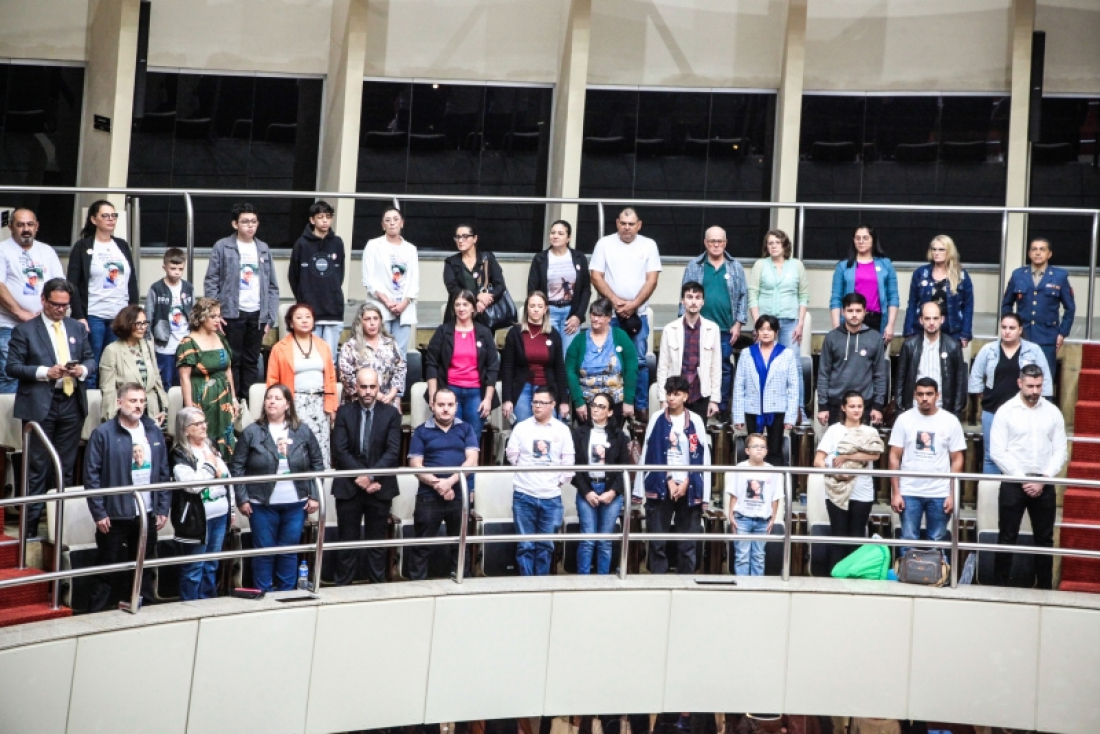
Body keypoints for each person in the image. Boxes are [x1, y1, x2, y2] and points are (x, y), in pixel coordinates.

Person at [8, 277, 94, 537]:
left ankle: (61, 530)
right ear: (43, 300)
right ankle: (30, 532)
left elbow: (91, 359)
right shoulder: (25, 330)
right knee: (37, 469)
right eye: (55, 304)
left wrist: (82, 370)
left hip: (71, 403)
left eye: (65, 306)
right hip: (39, 405)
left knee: (65, 470)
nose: (60, 310)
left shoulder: (76, 328)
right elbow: (12, 367)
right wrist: (47, 372)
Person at [85, 384, 171, 612]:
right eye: (133, 401)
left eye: (142, 401)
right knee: (106, 566)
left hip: (147, 513)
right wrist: (99, 512)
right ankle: (96, 613)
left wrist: (163, 507)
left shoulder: (153, 431)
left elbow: (163, 472)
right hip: (114, 514)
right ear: (119, 403)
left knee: (144, 565)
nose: (138, 405)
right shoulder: (102, 433)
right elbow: (91, 475)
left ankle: (144, 608)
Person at [231, 384, 323, 592]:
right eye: (269, 397)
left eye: (278, 398)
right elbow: (237, 466)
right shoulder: (251, 432)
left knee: (288, 552)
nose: (272, 401)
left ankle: (286, 594)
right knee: (264, 552)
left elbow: (317, 463)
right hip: (260, 504)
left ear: (288, 404)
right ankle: (262, 594)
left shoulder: (303, 431)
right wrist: (242, 498)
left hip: (295, 503)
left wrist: (315, 495)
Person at [990, 363, 1066, 589]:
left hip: (1044, 482)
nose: (1035, 391)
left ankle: (1045, 589)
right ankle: (999, 590)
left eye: (1039, 386)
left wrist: (1043, 478)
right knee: (1006, 537)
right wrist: (1022, 478)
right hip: (1014, 483)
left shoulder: (1053, 412)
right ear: (1019, 383)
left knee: (1044, 540)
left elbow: (1061, 450)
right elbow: (997, 451)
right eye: (1031, 386)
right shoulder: (1005, 411)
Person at [331, 367, 402, 585]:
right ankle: (342, 592)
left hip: (380, 487)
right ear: (355, 387)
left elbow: (393, 451)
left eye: (373, 387)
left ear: (379, 388)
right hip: (349, 487)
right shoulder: (344, 412)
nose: (368, 391)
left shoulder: (391, 414)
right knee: (346, 545)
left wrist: (370, 476)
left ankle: (377, 592)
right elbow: (339, 450)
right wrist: (360, 477)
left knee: (377, 546)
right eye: (364, 387)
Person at [634, 375, 711, 575]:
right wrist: (667, 480)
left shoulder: (695, 420)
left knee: (687, 542)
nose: (671, 398)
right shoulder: (657, 418)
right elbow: (649, 453)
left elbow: (702, 456)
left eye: (676, 394)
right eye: (669, 394)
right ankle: (659, 579)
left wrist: (687, 481)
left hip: (689, 485)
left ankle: (685, 581)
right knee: (657, 540)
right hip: (661, 484)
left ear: (685, 396)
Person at [590, 207, 662, 418]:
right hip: (609, 316)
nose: (627, 228)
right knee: (606, 362)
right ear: (617, 223)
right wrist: (615, 302)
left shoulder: (649, 245)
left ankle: (639, 409)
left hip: (637, 314)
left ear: (639, 225)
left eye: (631, 224)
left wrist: (633, 304)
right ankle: (606, 407)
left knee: (638, 362)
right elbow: (596, 276)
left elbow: (652, 279)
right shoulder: (604, 244)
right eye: (623, 223)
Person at [204, 202, 280, 400]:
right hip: (231, 313)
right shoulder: (223, 246)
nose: (250, 226)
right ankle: (232, 402)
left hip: (257, 314)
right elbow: (211, 281)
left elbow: (272, 286)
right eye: (245, 222)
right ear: (235, 224)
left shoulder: (263, 248)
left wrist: (270, 317)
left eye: (254, 221)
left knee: (251, 361)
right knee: (232, 359)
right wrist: (214, 314)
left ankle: (249, 402)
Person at [407, 388, 480, 580]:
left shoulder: (466, 429)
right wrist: (438, 484)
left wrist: (450, 482)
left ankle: (461, 585)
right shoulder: (421, 431)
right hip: (428, 497)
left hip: (459, 494)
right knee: (422, 546)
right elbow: (415, 464)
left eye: (450, 405)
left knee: (460, 544)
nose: (445, 409)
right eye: (441, 405)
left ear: (456, 407)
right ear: (432, 406)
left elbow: (472, 461)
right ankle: (417, 587)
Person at [889, 378, 966, 557]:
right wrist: (896, 492)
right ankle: (907, 580)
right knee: (908, 539)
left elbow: (957, 459)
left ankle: (936, 581)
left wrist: (952, 493)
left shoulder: (950, 421)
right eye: (921, 394)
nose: (925, 398)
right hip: (909, 490)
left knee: (937, 541)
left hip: (939, 491)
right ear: (915, 395)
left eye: (929, 394)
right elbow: (894, 457)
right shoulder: (904, 419)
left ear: (937, 395)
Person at [66, 200, 138, 388]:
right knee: (92, 367)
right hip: (94, 316)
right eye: (105, 216)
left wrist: (133, 314)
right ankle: (90, 413)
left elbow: (131, 282)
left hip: (119, 317)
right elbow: (72, 284)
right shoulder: (83, 246)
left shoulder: (122, 245)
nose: (110, 219)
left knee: (115, 367)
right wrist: (79, 316)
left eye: (113, 215)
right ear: (93, 219)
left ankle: (111, 411)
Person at [968, 313, 1052, 474]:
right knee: (991, 455)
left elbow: (1046, 380)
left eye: (1012, 328)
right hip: (992, 410)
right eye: (1004, 327)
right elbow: (975, 376)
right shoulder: (988, 350)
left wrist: (1040, 404)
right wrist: (982, 395)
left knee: (1019, 455)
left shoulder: (1034, 351)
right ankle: (990, 498)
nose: (1007, 331)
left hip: (1023, 412)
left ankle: (1016, 497)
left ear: (1020, 330)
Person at [505, 385, 575, 576]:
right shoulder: (521, 427)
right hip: (524, 495)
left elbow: (568, 462)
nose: (537, 406)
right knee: (525, 546)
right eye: (535, 402)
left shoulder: (562, 430)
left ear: (552, 404)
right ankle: (527, 585)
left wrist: (556, 482)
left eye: (542, 403)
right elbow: (512, 455)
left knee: (546, 546)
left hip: (551, 497)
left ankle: (541, 585)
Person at [683, 226, 748, 419]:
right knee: (696, 365)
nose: (716, 245)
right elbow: (685, 294)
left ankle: (721, 407)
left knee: (724, 367)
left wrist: (739, 323)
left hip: (726, 328)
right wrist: (684, 324)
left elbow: (743, 296)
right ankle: (697, 403)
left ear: (725, 243)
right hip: (698, 327)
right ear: (705, 243)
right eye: (712, 241)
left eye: (720, 241)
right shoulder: (694, 265)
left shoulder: (735, 266)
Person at [814, 391, 883, 571]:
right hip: (836, 490)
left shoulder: (870, 431)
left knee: (856, 538)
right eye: (852, 406)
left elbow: (874, 455)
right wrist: (834, 475)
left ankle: (854, 577)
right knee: (839, 538)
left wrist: (846, 455)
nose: (856, 410)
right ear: (844, 408)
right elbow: (818, 460)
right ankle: (836, 579)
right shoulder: (834, 430)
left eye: (859, 406)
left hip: (862, 491)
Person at [266, 303, 339, 469]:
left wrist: (332, 406)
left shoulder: (323, 345)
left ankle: (320, 489)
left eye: (308, 317)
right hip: (294, 403)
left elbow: (331, 377)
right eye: (299, 317)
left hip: (320, 402)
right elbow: (272, 380)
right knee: (296, 446)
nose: (304, 321)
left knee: (321, 448)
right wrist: (278, 405)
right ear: (291, 323)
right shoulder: (279, 348)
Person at [424, 290, 500, 448]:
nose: (461, 308)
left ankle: (469, 474)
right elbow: (431, 363)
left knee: (473, 440)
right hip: (449, 392)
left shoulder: (484, 333)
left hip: (476, 393)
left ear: (473, 307)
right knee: (450, 438)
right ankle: (450, 473)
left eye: (465, 304)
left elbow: (492, 367)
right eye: (457, 304)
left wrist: (487, 399)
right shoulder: (443, 331)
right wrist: (433, 394)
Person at [0, 208, 64, 393]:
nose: (25, 229)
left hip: (43, 326)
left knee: (42, 374)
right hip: (9, 326)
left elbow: (59, 284)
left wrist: (46, 312)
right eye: (20, 225)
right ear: (11, 227)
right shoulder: (3, 249)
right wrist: (20, 313)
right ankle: (7, 422)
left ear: (37, 227)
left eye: (29, 224)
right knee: (8, 375)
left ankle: (35, 421)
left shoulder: (47, 251)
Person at [170, 406, 231, 601]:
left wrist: (233, 508)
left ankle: (208, 604)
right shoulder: (179, 454)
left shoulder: (211, 447)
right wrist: (210, 465)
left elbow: (227, 478)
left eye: (204, 422)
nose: (204, 426)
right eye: (197, 423)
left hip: (220, 514)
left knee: (211, 564)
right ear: (185, 429)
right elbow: (192, 486)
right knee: (194, 567)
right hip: (196, 519)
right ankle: (190, 607)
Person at [572, 392, 630, 575]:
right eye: (594, 405)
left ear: (610, 412)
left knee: (605, 541)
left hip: (610, 493)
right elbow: (573, 467)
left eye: (601, 406)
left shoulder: (619, 436)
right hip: (586, 490)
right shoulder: (579, 433)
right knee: (588, 539)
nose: (595, 409)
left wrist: (613, 492)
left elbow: (625, 469)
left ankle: (603, 581)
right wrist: (587, 492)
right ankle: (583, 582)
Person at [732, 315, 800, 467]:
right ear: (756, 332)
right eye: (762, 329)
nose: (766, 333)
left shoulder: (786, 354)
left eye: (770, 329)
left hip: (777, 408)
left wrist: (790, 417)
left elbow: (793, 387)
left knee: (775, 449)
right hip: (752, 408)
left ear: (776, 332)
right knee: (754, 449)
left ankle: (775, 484)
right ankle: (753, 484)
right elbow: (739, 386)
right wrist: (738, 416)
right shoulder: (747, 353)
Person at [1001, 237, 1076, 374]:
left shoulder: (1060, 276)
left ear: (1049, 254)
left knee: (1045, 376)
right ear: (1029, 254)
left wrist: (1062, 333)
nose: (1038, 253)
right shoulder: (1018, 275)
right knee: (1019, 376)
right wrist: (1010, 327)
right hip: (1022, 335)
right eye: (1034, 249)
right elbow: (1007, 304)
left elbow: (1070, 308)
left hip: (1047, 336)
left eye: (1042, 249)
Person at [177, 297, 238, 461]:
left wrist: (233, 398)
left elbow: (228, 369)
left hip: (223, 398)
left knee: (226, 439)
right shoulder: (188, 342)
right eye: (213, 316)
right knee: (203, 437)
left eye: (218, 316)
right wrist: (190, 410)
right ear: (201, 317)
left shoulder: (220, 337)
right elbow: (184, 377)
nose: (218, 320)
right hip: (201, 398)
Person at [817, 293, 888, 426]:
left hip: (864, 405)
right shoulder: (832, 337)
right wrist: (822, 406)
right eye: (850, 311)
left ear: (865, 312)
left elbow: (880, 375)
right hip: (836, 404)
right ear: (843, 312)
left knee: (862, 446)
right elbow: (823, 373)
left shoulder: (875, 338)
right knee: (838, 446)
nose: (854, 315)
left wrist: (878, 406)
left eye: (858, 311)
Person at [565, 298, 638, 425]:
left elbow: (632, 368)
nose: (595, 319)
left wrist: (628, 401)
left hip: (615, 403)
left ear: (609, 318)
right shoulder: (579, 340)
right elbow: (570, 371)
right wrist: (578, 401)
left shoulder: (621, 336)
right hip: (587, 404)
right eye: (593, 314)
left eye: (600, 316)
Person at [502, 291, 570, 424]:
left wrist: (563, 401)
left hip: (547, 388)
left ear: (545, 309)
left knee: (548, 430)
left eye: (539, 306)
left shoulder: (553, 334)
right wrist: (507, 399)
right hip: (522, 388)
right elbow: (507, 368)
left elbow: (560, 369)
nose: (536, 309)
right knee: (523, 428)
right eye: (532, 306)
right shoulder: (515, 333)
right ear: (527, 308)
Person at [289, 200, 346, 361]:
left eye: (328, 217)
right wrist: (304, 297)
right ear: (312, 220)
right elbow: (293, 276)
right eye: (320, 217)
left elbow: (339, 273)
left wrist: (331, 291)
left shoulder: (337, 243)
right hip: (310, 311)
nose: (325, 220)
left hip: (333, 310)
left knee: (329, 358)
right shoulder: (301, 244)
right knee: (309, 357)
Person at [656, 281, 722, 419]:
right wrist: (663, 399)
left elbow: (716, 366)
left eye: (698, 298)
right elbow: (663, 366)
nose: (693, 302)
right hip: (675, 393)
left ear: (703, 302)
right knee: (673, 436)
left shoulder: (712, 329)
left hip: (700, 392)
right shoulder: (670, 329)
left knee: (697, 437)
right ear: (682, 301)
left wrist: (714, 400)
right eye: (689, 297)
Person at [361, 207, 419, 355]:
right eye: (388, 220)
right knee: (379, 353)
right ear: (383, 225)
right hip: (381, 307)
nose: (392, 223)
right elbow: (368, 280)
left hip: (404, 308)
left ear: (402, 223)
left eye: (395, 219)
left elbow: (414, 280)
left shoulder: (411, 249)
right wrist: (387, 301)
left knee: (400, 355)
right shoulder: (373, 245)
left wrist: (404, 303)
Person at [527, 219, 591, 353]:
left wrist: (578, 315)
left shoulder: (579, 257)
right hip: (549, 312)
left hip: (571, 313)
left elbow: (585, 289)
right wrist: (541, 312)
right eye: (553, 233)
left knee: (569, 355)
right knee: (548, 353)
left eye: (560, 233)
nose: (555, 236)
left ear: (569, 238)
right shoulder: (540, 259)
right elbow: (533, 290)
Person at [895, 301, 968, 417]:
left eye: (935, 318)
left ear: (942, 319)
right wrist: (899, 409)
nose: (931, 322)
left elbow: (960, 382)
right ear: (921, 320)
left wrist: (957, 411)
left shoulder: (953, 346)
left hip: (943, 409)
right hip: (914, 408)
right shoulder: (909, 345)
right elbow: (900, 379)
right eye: (927, 318)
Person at [98, 305, 169, 424]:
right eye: (138, 324)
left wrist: (165, 408)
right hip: (125, 413)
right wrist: (111, 419)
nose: (143, 327)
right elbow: (108, 389)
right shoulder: (112, 350)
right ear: (127, 324)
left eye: (145, 323)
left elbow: (157, 379)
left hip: (150, 410)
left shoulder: (148, 345)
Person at [725, 434, 783, 576]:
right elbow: (734, 493)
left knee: (758, 557)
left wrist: (773, 518)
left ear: (767, 451)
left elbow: (775, 498)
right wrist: (731, 515)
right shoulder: (740, 468)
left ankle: (757, 588)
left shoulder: (772, 470)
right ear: (747, 451)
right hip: (742, 519)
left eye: (762, 447)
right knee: (742, 556)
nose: (759, 449)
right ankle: (743, 588)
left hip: (762, 520)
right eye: (755, 446)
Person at [829, 225, 899, 340]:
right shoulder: (843, 266)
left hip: (877, 320)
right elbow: (836, 299)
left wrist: (890, 325)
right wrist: (837, 327)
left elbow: (893, 297)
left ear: (873, 240)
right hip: (850, 320)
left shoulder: (886, 264)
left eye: (865, 238)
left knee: (875, 356)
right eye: (858, 238)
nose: (861, 241)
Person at [903, 235, 973, 347]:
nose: (936, 253)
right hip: (923, 328)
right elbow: (912, 303)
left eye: (941, 249)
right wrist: (908, 330)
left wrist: (965, 333)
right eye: (934, 249)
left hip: (952, 329)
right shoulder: (920, 273)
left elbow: (968, 306)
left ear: (949, 251)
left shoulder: (962, 275)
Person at [748, 229, 809, 348]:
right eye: (770, 243)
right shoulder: (760, 264)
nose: (774, 246)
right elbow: (753, 295)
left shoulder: (797, 265)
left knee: (792, 360)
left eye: (777, 242)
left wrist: (800, 323)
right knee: (766, 359)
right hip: (765, 322)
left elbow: (803, 295)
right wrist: (757, 324)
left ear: (785, 245)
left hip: (790, 321)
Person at [337, 303, 406, 407]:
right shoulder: (350, 346)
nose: (372, 323)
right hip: (358, 403)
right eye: (367, 319)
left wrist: (392, 393)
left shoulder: (390, 343)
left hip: (387, 401)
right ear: (360, 322)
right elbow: (346, 378)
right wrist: (375, 394)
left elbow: (400, 368)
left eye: (375, 318)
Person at [442, 223, 507, 328]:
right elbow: (453, 288)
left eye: (465, 236)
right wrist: (477, 296)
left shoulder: (487, 258)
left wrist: (484, 302)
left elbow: (500, 286)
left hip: (484, 314)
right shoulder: (451, 262)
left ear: (475, 238)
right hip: (459, 315)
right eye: (458, 237)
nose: (460, 240)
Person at [145, 247, 193, 388]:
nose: (177, 272)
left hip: (184, 344)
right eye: (173, 268)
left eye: (180, 269)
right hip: (164, 345)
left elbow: (194, 315)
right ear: (164, 267)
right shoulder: (156, 288)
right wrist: (148, 341)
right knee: (165, 381)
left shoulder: (188, 288)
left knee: (184, 381)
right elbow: (148, 315)